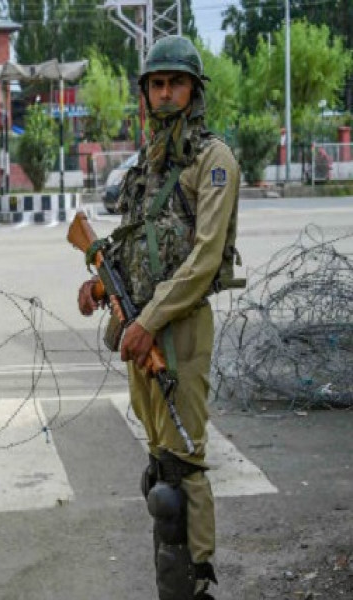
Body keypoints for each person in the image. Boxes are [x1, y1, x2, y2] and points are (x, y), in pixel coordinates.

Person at [77, 35, 243, 600]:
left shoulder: (213, 162)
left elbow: (205, 259)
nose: (165, 93)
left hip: (181, 328)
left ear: (194, 91)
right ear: (146, 93)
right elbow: (133, 244)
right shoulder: (147, 164)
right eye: (156, 84)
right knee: (157, 470)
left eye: (175, 82)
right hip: (140, 328)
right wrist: (102, 283)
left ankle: (196, 585)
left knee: (181, 473)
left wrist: (149, 319)